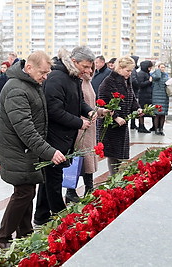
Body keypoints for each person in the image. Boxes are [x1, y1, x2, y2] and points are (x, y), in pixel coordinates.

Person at [0, 51, 66, 249]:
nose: (45, 77)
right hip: (18, 149)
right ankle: (3, 237)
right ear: (29, 68)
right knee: (24, 192)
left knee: (27, 190)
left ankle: (25, 233)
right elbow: (26, 129)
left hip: (26, 150)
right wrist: (49, 151)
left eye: (47, 73)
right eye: (42, 72)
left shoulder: (30, 84)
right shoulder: (16, 89)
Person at [34, 46, 96, 226]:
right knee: (53, 180)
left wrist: (89, 111)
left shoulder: (73, 77)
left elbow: (77, 102)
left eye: (90, 67)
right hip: (53, 137)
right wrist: (79, 122)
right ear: (74, 62)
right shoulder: (57, 77)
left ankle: (41, 216)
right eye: (85, 66)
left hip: (64, 136)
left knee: (49, 180)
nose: (88, 71)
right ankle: (61, 219)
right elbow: (53, 110)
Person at [65, 64, 108, 203]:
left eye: (92, 68)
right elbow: (77, 104)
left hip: (89, 125)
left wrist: (100, 111)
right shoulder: (78, 82)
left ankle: (88, 188)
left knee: (87, 157)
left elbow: (89, 105)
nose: (90, 71)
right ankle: (72, 190)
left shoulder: (87, 82)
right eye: (88, 68)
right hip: (81, 126)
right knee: (80, 158)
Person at [97, 56, 142, 176]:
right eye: (128, 70)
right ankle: (113, 179)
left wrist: (137, 108)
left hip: (122, 124)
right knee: (113, 154)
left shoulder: (126, 81)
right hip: (111, 125)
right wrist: (115, 117)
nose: (130, 73)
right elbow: (104, 102)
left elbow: (131, 97)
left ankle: (116, 178)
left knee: (119, 154)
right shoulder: (109, 82)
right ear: (120, 68)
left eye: (131, 71)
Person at [151, 62, 169, 135]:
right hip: (156, 96)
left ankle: (161, 128)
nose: (163, 69)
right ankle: (156, 129)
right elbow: (158, 77)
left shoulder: (165, 75)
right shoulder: (155, 74)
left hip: (164, 96)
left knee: (163, 114)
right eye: (161, 67)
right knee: (157, 113)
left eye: (164, 67)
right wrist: (157, 70)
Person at [137, 60, 154, 133]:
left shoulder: (146, 73)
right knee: (142, 111)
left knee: (148, 111)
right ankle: (141, 126)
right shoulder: (141, 74)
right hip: (143, 95)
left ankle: (152, 126)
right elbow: (140, 84)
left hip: (147, 95)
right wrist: (149, 81)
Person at [129, 55, 140, 130]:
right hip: (133, 91)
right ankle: (132, 124)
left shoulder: (133, 70)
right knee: (133, 108)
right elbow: (134, 80)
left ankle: (133, 123)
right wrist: (138, 85)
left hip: (134, 91)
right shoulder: (132, 70)